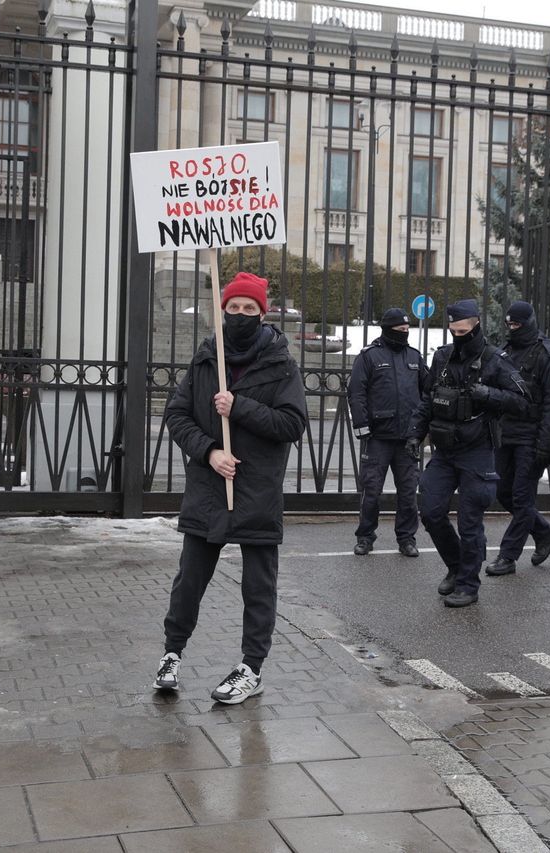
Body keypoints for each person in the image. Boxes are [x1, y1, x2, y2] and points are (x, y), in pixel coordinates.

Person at [154, 271, 309, 703]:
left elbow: (292, 424)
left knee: (258, 586)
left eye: (249, 309)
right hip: (209, 489)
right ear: (222, 309)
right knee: (189, 580)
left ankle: (251, 668)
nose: (240, 315)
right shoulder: (207, 358)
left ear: (263, 313)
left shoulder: (281, 364)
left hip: (257, 490)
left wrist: (239, 407)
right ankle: (171, 654)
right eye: (233, 307)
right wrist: (209, 453)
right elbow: (177, 414)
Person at [407, 299, 531, 607]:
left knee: (469, 521)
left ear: (475, 325)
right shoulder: (443, 358)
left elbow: (522, 400)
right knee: (431, 512)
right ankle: (457, 565)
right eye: (453, 330)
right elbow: (427, 399)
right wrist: (414, 434)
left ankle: (467, 584)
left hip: (477, 451)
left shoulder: (495, 360)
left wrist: (488, 394)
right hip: (445, 450)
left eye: (463, 330)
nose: (457, 335)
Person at [486, 300, 550, 577]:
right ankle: (544, 533)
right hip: (507, 434)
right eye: (509, 324)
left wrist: (544, 446)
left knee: (522, 499)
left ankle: (508, 556)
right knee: (502, 492)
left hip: (531, 438)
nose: (512, 329)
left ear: (529, 322)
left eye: (517, 324)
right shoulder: (507, 351)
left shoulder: (549, 355)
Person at [347, 307, 429, 558]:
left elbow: (428, 391)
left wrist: (422, 428)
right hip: (378, 437)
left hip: (407, 438)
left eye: (407, 330)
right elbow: (356, 392)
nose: (404, 334)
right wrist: (362, 427)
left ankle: (406, 539)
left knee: (408, 493)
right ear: (387, 330)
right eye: (399, 330)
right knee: (371, 490)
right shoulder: (369, 357)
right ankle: (365, 537)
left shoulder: (414, 357)